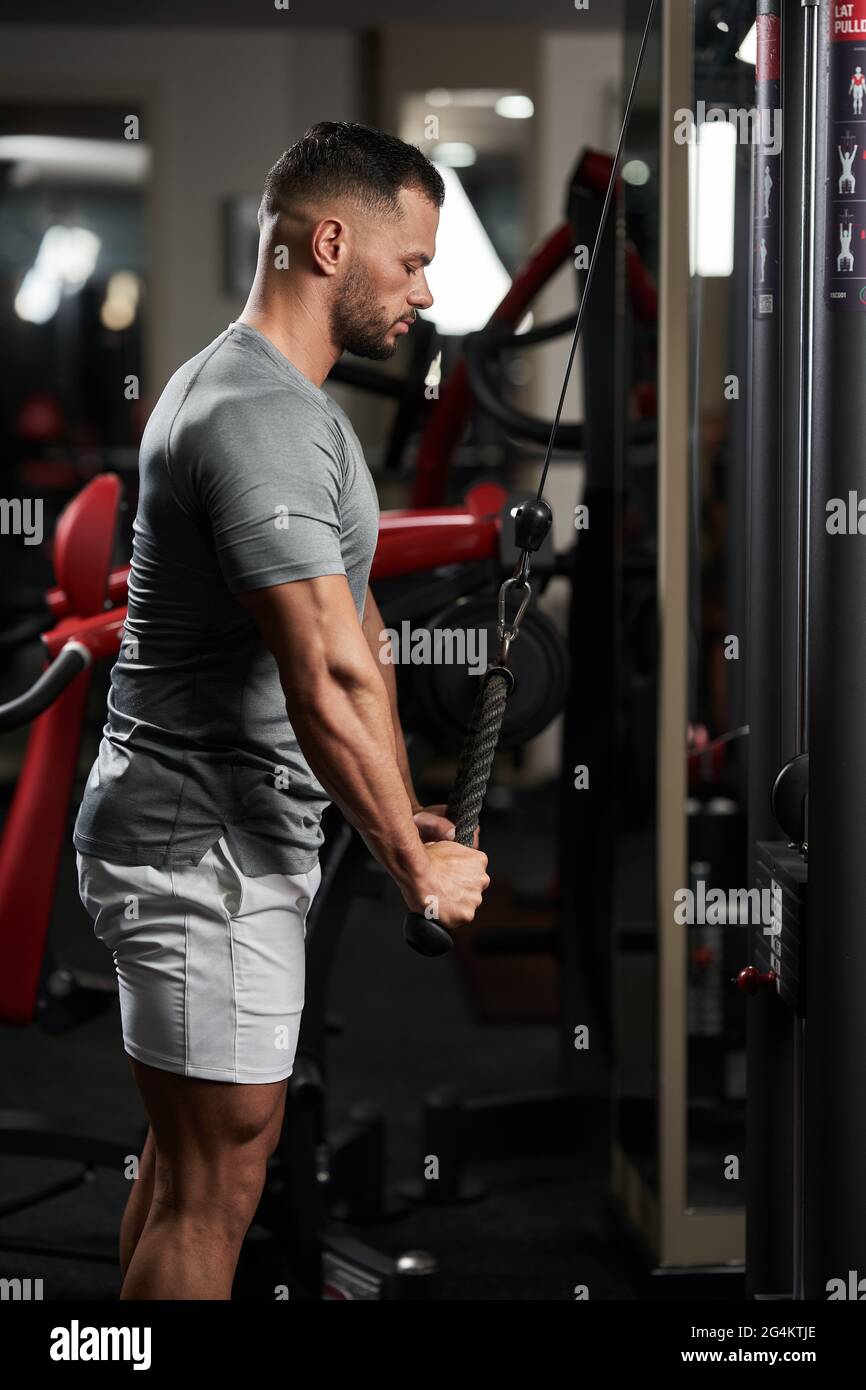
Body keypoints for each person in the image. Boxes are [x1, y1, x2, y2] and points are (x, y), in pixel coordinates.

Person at [73, 121, 490, 1300]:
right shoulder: (254, 418)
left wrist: (402, 806)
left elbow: (362, 637)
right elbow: (323, 674)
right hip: (196, 848)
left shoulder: (287, 402)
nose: (424, 290)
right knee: (216, 1183)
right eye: (410, 262)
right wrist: (413, 868)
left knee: (191, 1161)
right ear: (329, 242)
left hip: (215, 840)